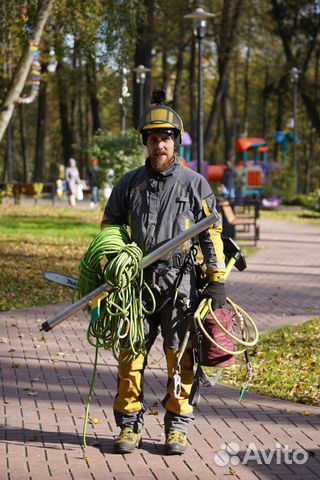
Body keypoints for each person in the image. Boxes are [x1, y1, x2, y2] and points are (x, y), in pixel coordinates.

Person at [101, 98, 226, 455]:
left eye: (166, 138)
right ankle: (128, 425)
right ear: (146, 143)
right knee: (131, 355)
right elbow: (110, 227)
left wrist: (216, 279)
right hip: (136, 286)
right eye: (153, 138)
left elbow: (211, 232)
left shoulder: (194, 184)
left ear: (177, 142)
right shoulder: (129, 184)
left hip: (180, 284)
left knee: (181, 358)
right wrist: (114, 260)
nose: (160, 145)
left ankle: (177, 426)